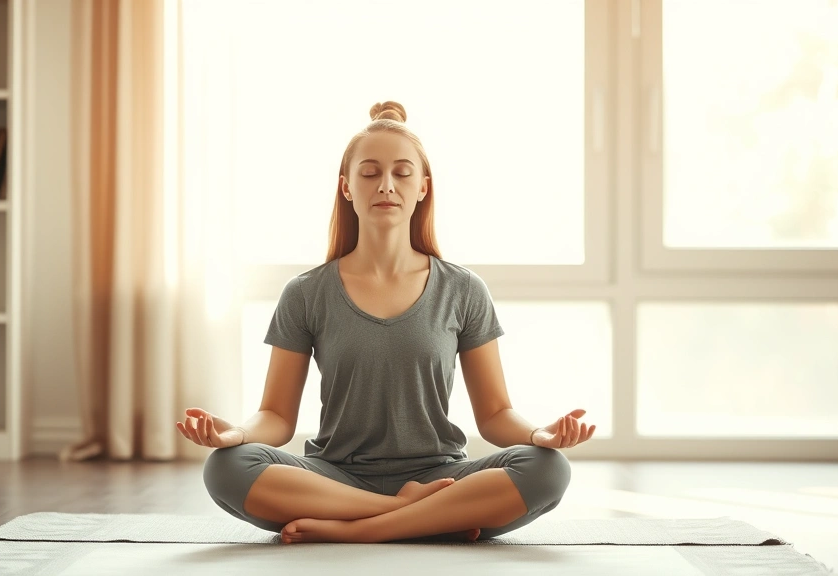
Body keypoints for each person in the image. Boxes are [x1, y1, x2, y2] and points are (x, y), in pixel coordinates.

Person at [177, 101, 595, 545]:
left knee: (547, 469)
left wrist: (538, 434)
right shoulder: (305, 293)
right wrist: (237, 434)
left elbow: (494, 414)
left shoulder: (464, 289)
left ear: (423, 188)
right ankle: (419, 516)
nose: (386, 186)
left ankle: (359, 530)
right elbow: (277, 416)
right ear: (346, 187)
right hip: (335, 478)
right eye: (370, 173)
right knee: (227, 467)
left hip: (440, 474)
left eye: (402, 173)